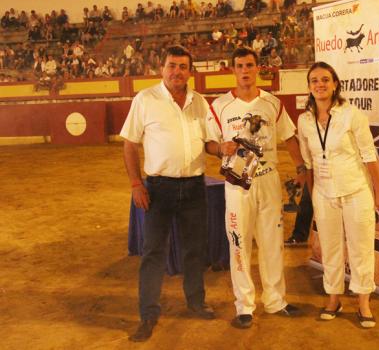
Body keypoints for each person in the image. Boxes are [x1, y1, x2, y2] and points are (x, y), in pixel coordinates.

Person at [205, 47, 306, 329]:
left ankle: (276, 300)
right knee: (239, 242)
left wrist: (300, 168)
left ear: (258, 68)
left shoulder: (273, 103)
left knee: (272, 242)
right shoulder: (220, 105)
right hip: (237, 184)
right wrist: (219, 149)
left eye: (250, 65)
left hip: (268, 179)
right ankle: (244, 305)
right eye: (240, 65)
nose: (245, 70)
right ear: (233, 69)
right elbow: (208, 143)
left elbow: (289, 137)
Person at [120, 45, 214, 342]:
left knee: (194, 249)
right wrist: (136, 183)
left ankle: (196, 303)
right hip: (158, 189)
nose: (177, 71)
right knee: (153, 253)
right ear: (162, 68)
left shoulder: (200, 102)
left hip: (195, 187)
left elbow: (210, 142)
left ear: (190, 71)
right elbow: (129, 144)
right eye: (172, 65)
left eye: (183, 66)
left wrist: (223, 149)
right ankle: (148, 315)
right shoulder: (145, 99)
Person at [296, 62, 379, 329]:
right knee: (331, 248)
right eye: (314, 80)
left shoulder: (352, 115)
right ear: (309, 87)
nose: (320, 84)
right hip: (324, 195)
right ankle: (333, 298)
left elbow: (369, 155)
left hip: (356, 190)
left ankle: (363, 302)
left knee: (360, 247)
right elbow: (309, 161)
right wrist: (313, 196)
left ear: (335, 83)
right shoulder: (304, 121)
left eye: (325, 79)